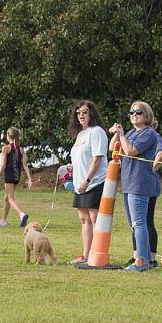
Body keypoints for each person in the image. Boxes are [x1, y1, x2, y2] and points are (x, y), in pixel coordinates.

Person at [109, 100, 162, 271]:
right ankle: (144, 258)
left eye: (137, 112)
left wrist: (122, 135)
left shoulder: (149, 134)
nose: (133, 115)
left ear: (146, 115)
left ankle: (141, 261)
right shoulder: (132, 131)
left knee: (139, 222)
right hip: (128, 182)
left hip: (140, 183)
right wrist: (118, 133)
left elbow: (131, 151)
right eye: (131, 113)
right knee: (135, 223)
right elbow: (113, 148)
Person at [69, 100, 109, 263]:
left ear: (91, 113)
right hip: (80, 184)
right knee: (83, 219)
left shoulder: (97, 131)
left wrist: (87, 179)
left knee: (94, 218)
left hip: (94, 182)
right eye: (78, 113)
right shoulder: (80, 135)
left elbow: (97, 158)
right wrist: (68, 169)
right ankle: (85, 255)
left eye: (84, 112)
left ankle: (97, 253)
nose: (81, 116)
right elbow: (80, 159)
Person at [0, 127, 33, 227]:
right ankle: (3, 220)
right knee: (7, 198)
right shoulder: (21, 149)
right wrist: (30, 179)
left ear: (8, 136)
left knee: (10, 198)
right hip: (17, 176)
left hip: (9, 176)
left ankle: (21, 214)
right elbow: (25, 165)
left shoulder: (6, 148)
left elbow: (3, 165)